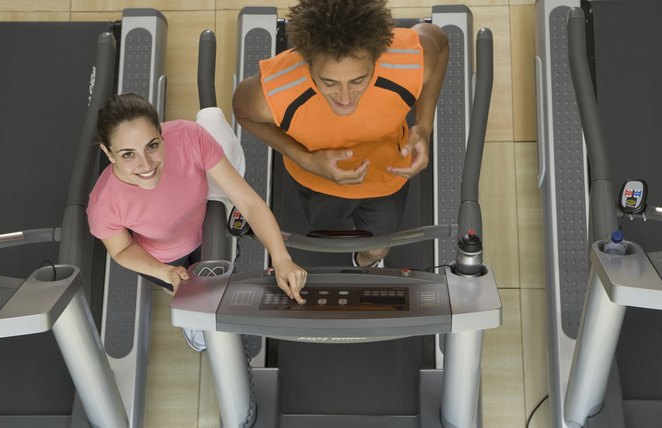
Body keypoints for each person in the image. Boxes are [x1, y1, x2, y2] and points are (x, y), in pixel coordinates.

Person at [232, 0, 449, 268]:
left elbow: (439, 41)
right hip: (315, 180)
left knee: (378, 250)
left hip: (387, 177)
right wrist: (304, 159)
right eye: (330, 82)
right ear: (308, 63)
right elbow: (241, 112)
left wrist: (424, 126)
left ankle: (365, 261)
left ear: (377, 57)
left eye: (359, 80)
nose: (345, 98)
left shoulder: (405, 62)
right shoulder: (279, 88)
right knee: (327, 230)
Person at [87, 94, 308, 349]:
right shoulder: (103, 203)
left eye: (152, 146)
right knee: (185, 291)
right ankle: (192, 314)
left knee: (219, 279)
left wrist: (281, 258)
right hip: (163, 257)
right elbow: (122, 249)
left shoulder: (189, 137)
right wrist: (165, 272)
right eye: (128, 154)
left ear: (161, 133)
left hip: (204, 230)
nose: (145, 164)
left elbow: (249, 203)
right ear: (108, 152)